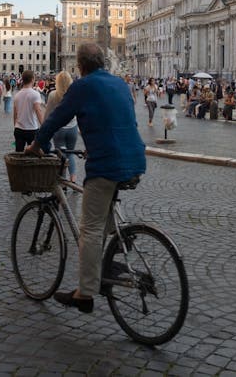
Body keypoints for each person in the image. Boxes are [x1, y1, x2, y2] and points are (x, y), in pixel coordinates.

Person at [25, 43, 146, 313]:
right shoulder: (121, 84)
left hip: (107, 164)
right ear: (103, 62)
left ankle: (85, 292)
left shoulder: (82, 87)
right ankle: (118, 240)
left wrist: (36, 145)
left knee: (89, 229)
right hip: (135, 159)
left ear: (79, 66)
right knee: (103, 211)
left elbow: (55, 119)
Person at [45, 71, 78, 181]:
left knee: (61, 155)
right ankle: (73, 178)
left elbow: (48, 114)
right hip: (72, 128)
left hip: (58, 129)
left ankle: (63, 181)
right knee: (71, 153)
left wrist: (44, 130)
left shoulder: (53, 95)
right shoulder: (74, 95)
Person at [13, 70, 44, 152]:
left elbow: (15, 113)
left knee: (18, 154)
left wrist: (15, 126)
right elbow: (39, 111)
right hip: (32, 129)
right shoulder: (35, 94)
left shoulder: (17, 95)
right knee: (34, 154)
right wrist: (44, 126)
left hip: (19, 128)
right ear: (33, 79)